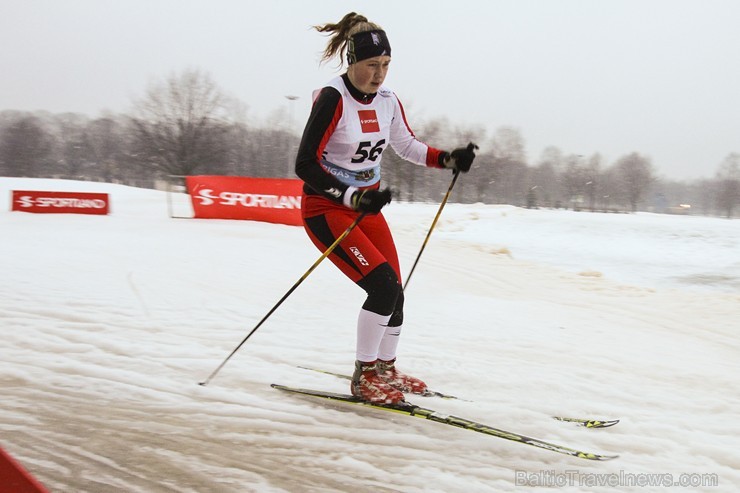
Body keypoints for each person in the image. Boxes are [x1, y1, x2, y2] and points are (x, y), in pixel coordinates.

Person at [295, 12, 477, 404]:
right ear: (352, 62)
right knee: (381, 287)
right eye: (371, 66)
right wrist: (351, 196)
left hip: (365, 209)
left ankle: (385, 369)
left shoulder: (388, 101)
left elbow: (407, 145)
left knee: (395, 290)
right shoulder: (333, 99)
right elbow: (305, 165)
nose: (379, 75)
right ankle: (364, 377)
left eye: (386, 66)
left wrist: (448, 159)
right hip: (326, 210)